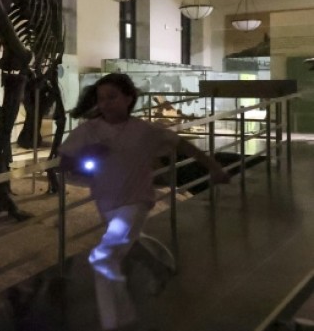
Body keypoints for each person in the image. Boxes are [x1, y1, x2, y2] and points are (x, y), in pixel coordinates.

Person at [57, 73, 230, 331]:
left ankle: (117, 322)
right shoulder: (88, 131)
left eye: (112, 97)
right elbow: (64, 163)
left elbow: (184, 145)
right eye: (101, 98)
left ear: (128, 98)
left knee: (104, 257)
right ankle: (159, 268)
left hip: (135, 202)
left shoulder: (145, 131)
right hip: (107, 202)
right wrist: (85, 155)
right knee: (129, 242)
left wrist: (214, 168)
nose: (105, 103)